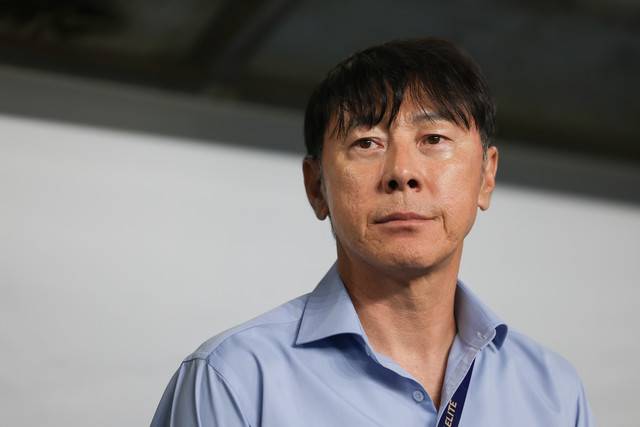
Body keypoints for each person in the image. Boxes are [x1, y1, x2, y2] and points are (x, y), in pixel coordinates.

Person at [151, 38, 594, 426]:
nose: (402, 172)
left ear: (486, 175)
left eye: (434, 139)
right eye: (366, 143)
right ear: (316, 187)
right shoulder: (234, 380)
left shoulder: (553, 394)